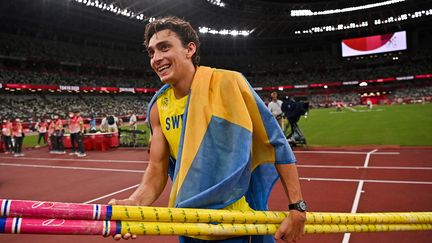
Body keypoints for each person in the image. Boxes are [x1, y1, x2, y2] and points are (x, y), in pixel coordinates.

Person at [108, 17, 306, 243]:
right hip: (188, 225)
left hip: (236, 227)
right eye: (152, 52)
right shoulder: (158, 108)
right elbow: (156, 169)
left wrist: (297, 206)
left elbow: (277, 143)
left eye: (164, 47)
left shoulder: (229, 83)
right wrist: (135, 203)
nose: (156, 58)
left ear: (190, 49)